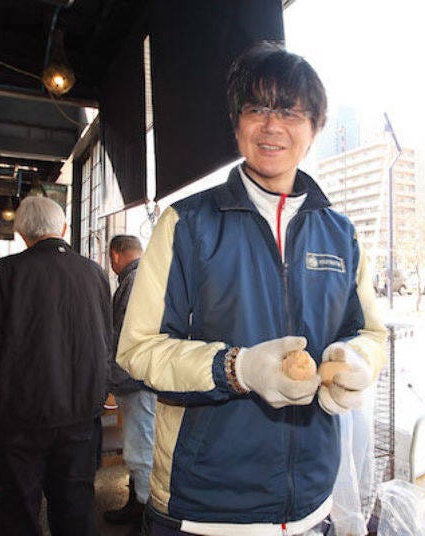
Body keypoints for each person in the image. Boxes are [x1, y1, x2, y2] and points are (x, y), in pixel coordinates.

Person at [116, 41, 387, 536]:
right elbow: (138, 350)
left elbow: (370, 332)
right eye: (256, 108)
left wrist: (358, 360)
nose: (272, 125)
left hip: (310, 505)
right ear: (237, 121)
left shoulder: (340, 233)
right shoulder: (186, 225)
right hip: (204, 508)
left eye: (290, 111)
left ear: (315, 127)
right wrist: (237, 368)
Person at [0, 196, 112, 536]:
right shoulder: (94, 272)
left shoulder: (5, 272)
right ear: (62, 228)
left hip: (21, 414)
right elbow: (107, 340)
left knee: (17, 509)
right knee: (75, 505)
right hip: (81, 412)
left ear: (21, 232)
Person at [103, 234, 156, 526]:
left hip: (136, 381)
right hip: (142, 379)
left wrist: (111, 378)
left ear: (115, 255)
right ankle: (137, 505)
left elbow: (125, 337)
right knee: (141, 445)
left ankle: (146, 517)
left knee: (142, 447)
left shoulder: (133, 281)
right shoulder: (146, 275)